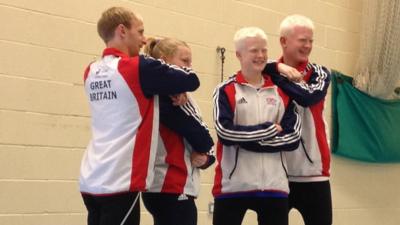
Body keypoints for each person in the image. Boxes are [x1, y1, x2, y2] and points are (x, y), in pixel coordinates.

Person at [79, 7, 202, 225]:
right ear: (122, 31)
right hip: (119, 180)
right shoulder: (137, 67)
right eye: (141, 32)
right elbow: (191, 79)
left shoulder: (91, 70)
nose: (145, 40)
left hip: (91, 176)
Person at [212, 27, 302, 225]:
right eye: (254, 50)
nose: (260, 56)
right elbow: (225, 133)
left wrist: (247, 141)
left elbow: (293, 137)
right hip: (232, 187)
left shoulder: (282, 91)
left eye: (264, 50)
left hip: (274, 187)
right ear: (238, 54)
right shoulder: (225, 90)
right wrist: (269, 129)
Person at [264, 14, 332, 225]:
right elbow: (247, 65)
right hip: (276, 174)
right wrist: (274, 67)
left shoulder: (319, 73)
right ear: (284, 41)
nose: (308, 46)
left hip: (314, 173)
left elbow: (307, 97)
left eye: (311, 41)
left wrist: (276, 72)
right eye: (303, 40)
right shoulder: (264, 73)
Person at [141, 37, 215, 225]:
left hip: (171, 185)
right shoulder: (165, 98)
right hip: (169, 184)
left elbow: (204, 136)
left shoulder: (181, 96)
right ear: (165, 61)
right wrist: (207, 150)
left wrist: (207, 159)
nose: (190, 67)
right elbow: (203, 139)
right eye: (185, 61)